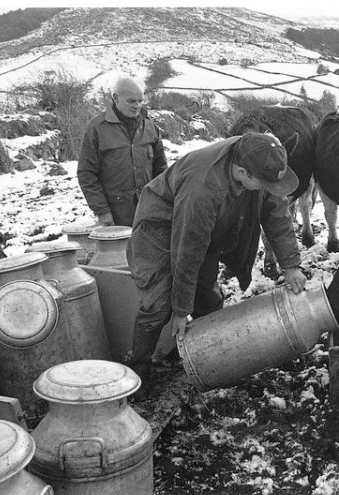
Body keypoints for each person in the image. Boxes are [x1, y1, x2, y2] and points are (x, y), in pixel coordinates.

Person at [126, 132, 308, 383]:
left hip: (207, 227)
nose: (270, 189)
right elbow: (187, 251)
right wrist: (180, 309)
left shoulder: (262, 155)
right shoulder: (203, 187)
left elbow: (277, 215)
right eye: (265, 184)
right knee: (159, 305)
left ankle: (207, 358)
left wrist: (290, 265)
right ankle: (138, 370)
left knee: (209, 301)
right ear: (243, 173)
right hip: (161, 227)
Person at [77, 74, 167, 227]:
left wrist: (163, 203)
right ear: (115, 98)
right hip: (115, 215)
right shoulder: (97, 128)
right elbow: (86, 173)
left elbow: (162, 170)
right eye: (131, 101)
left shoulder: (150, 127)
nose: (137, 106)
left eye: (140, 101)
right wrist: (102, 211)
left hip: (149, 210)